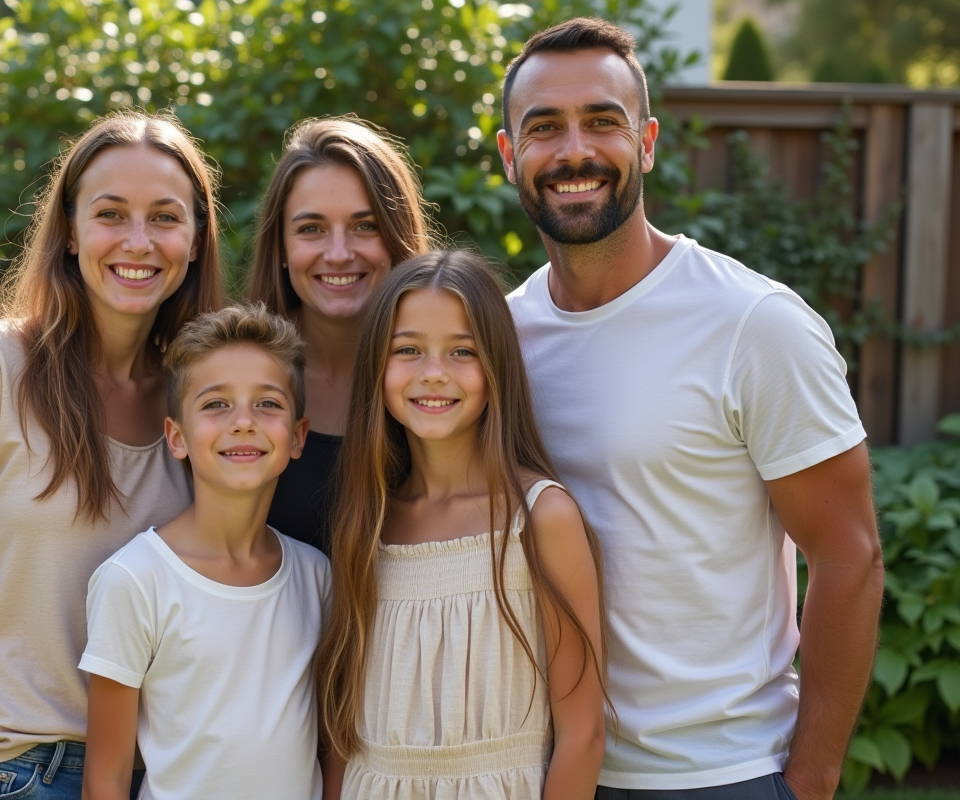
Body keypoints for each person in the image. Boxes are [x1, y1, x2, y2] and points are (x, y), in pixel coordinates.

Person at [498, 18, 885, 799]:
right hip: (554, 768)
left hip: (728, 774)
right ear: (510, 157)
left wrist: (806, 782)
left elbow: (849, 556)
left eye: (602, 122)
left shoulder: (753, 324)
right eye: (544, 128)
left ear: (645, 142)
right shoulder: (501, 336)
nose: (574, 151)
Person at [0, 110, 222, 800]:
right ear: (70, 232)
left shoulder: (204, 402)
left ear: (194, 241)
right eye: (110, 214)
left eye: (165, 217)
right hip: (14, 772)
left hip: (158, 772)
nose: (138, 241)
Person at [317, 250, 609, 800]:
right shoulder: (368, 523)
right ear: (376, 366)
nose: (433, 373)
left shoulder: (540, 518)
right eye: (408, 350)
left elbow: (583, 733)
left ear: (496, 365)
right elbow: (343, 736)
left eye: (461, 351)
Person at [80, 304, 330, 800]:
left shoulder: (315, 575)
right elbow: (104, 780)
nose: (243, 422)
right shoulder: (135, 580)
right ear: (177, 437)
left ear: (298, 436)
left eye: (268, 404)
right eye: (216, 404)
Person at [248, 116, 435, 551]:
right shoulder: (226, 378)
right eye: (311, 229)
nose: (338, 253)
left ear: (398, 237)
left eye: (364, 226)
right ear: (280, 246)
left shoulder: (446, 377)